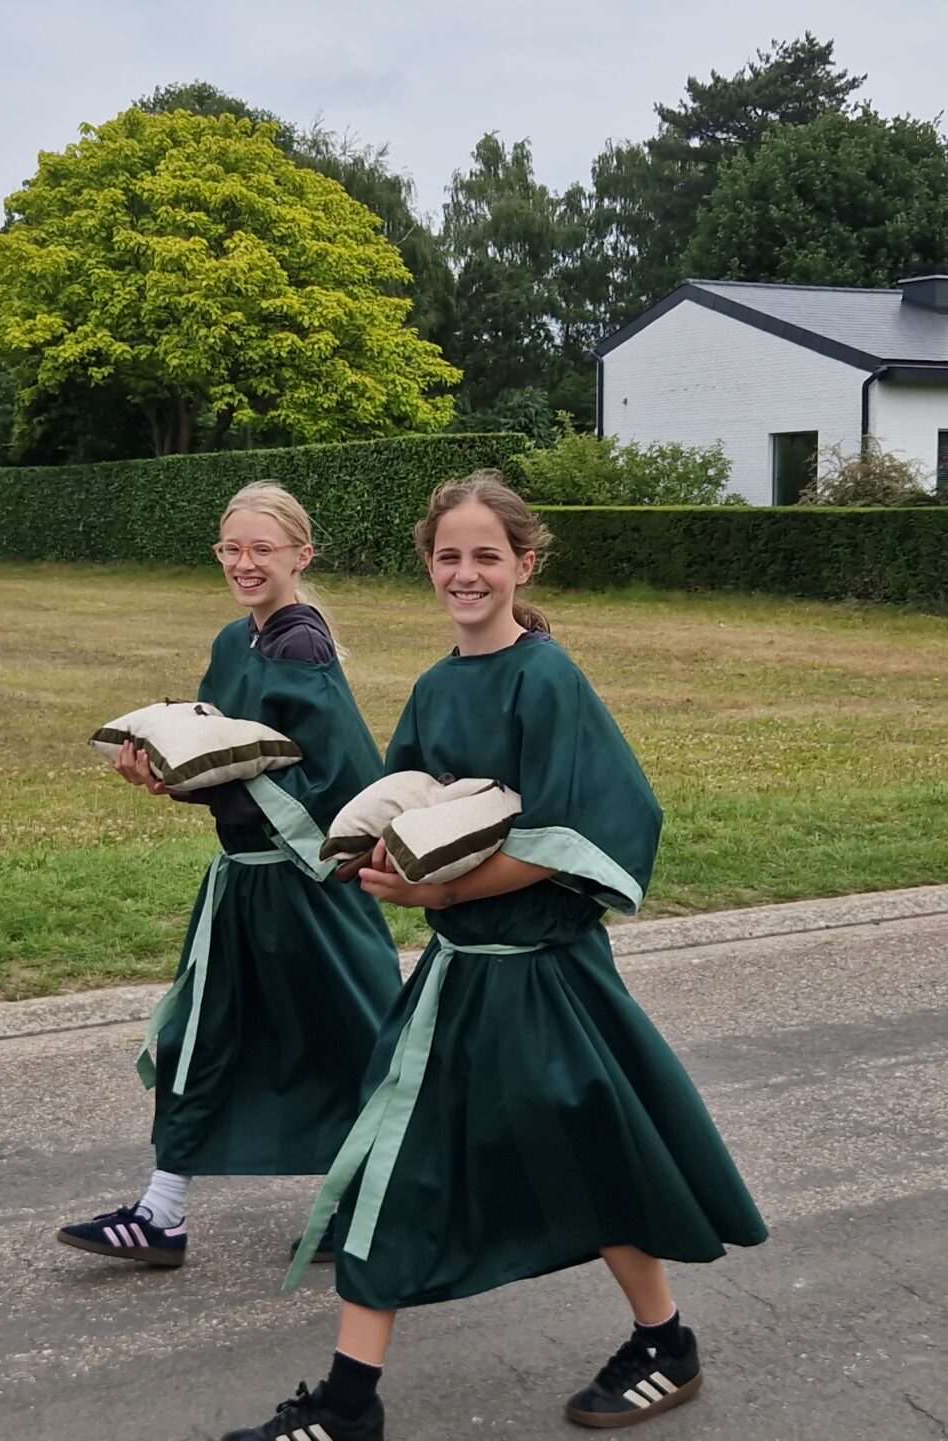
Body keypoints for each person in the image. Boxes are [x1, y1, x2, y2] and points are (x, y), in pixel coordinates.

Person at [221, 473, 767, 1441]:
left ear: (524, 564)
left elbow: (585, 830)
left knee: (590, 1157)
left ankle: (663, 1341)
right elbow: (406, 800)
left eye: (486, 555)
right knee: (394, 1164)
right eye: (448, 556)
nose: (465, 573)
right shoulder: (438, 685)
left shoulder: (545, 678)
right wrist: (369, 856)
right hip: (460, 977)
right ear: (428, 566)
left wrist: (442, 894)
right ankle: (350, 1401)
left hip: (543, 977)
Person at [57, 482, 402, 1270]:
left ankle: (381, 1201)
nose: (244, 563)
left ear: (300, 556)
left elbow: (340, 775)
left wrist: (205, 787)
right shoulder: (232, 640)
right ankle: (161, 1212)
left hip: (306, 889)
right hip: (243, 883)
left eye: (262, 549)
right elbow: (220, 757)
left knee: (353, 1039)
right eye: (231, 548)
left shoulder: (303, 649)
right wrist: (166, 775)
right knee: (198, 1033)